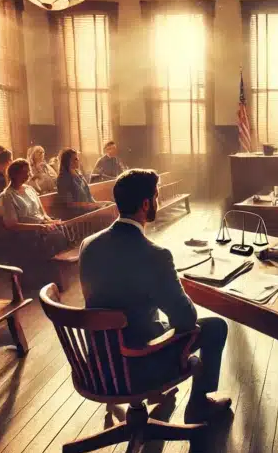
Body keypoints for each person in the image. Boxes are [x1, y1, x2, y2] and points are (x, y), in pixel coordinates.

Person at [79, 169, 231, 423]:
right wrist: (172, 287)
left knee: (153, 319)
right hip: (136, 364)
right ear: (146, 203)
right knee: (215, 326)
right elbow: (186, 319)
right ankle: (198, 405)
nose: (157, 202)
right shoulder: (155, 255)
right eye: (157, 196)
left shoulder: (89, 245)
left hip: (97, 364)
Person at [0, 159, 63, 232]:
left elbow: (42, 214)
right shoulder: (7, 196)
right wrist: (40, 227)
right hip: (26, 233)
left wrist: (52, 223)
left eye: (29, 171)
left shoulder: (30, 189)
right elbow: (12, 225)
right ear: (15, 174)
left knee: (62, 228)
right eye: (25, 172)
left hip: (41, 227)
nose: (29, 174)